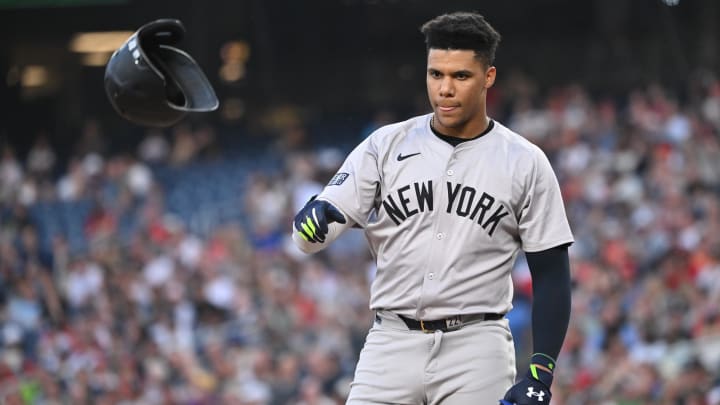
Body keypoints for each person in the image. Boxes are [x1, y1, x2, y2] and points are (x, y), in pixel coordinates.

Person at [292, 11, 573, 405]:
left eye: (461, 76)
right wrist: (313, 221)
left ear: (488, 77)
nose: (445, 88)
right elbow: (313, 231)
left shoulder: (525, 161)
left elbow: (552, 274)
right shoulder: (385, 145)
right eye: (436, 74)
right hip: (391, 341)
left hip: (477, 347)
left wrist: (540, 373)